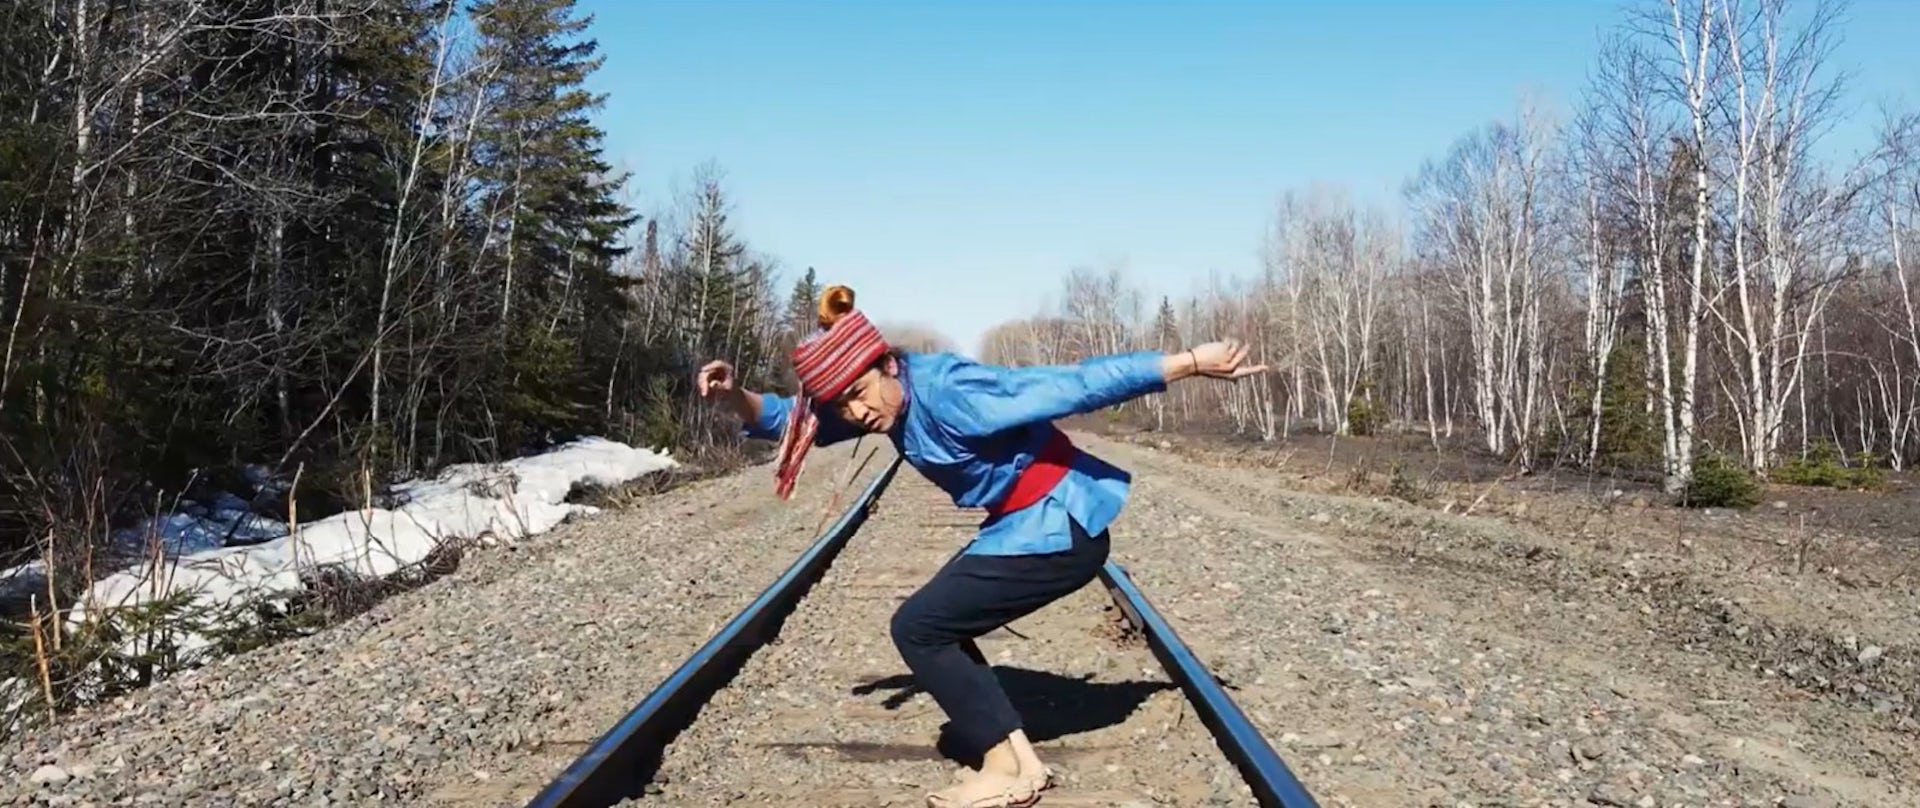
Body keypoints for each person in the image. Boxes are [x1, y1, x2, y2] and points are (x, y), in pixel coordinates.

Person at [696, 285, 1266, 808]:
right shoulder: (887, 401)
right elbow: (793, 420)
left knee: (919, 627)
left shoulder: (949, 391)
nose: (859, 412)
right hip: (1024, 525)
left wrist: (1187, 363)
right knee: (938, 622)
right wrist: (734, 395)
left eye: (861, 395)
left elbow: (1070, 384)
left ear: (888, 363)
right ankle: (1023, 763)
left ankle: (1001, 767)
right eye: (845, 405)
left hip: (1059, 527)